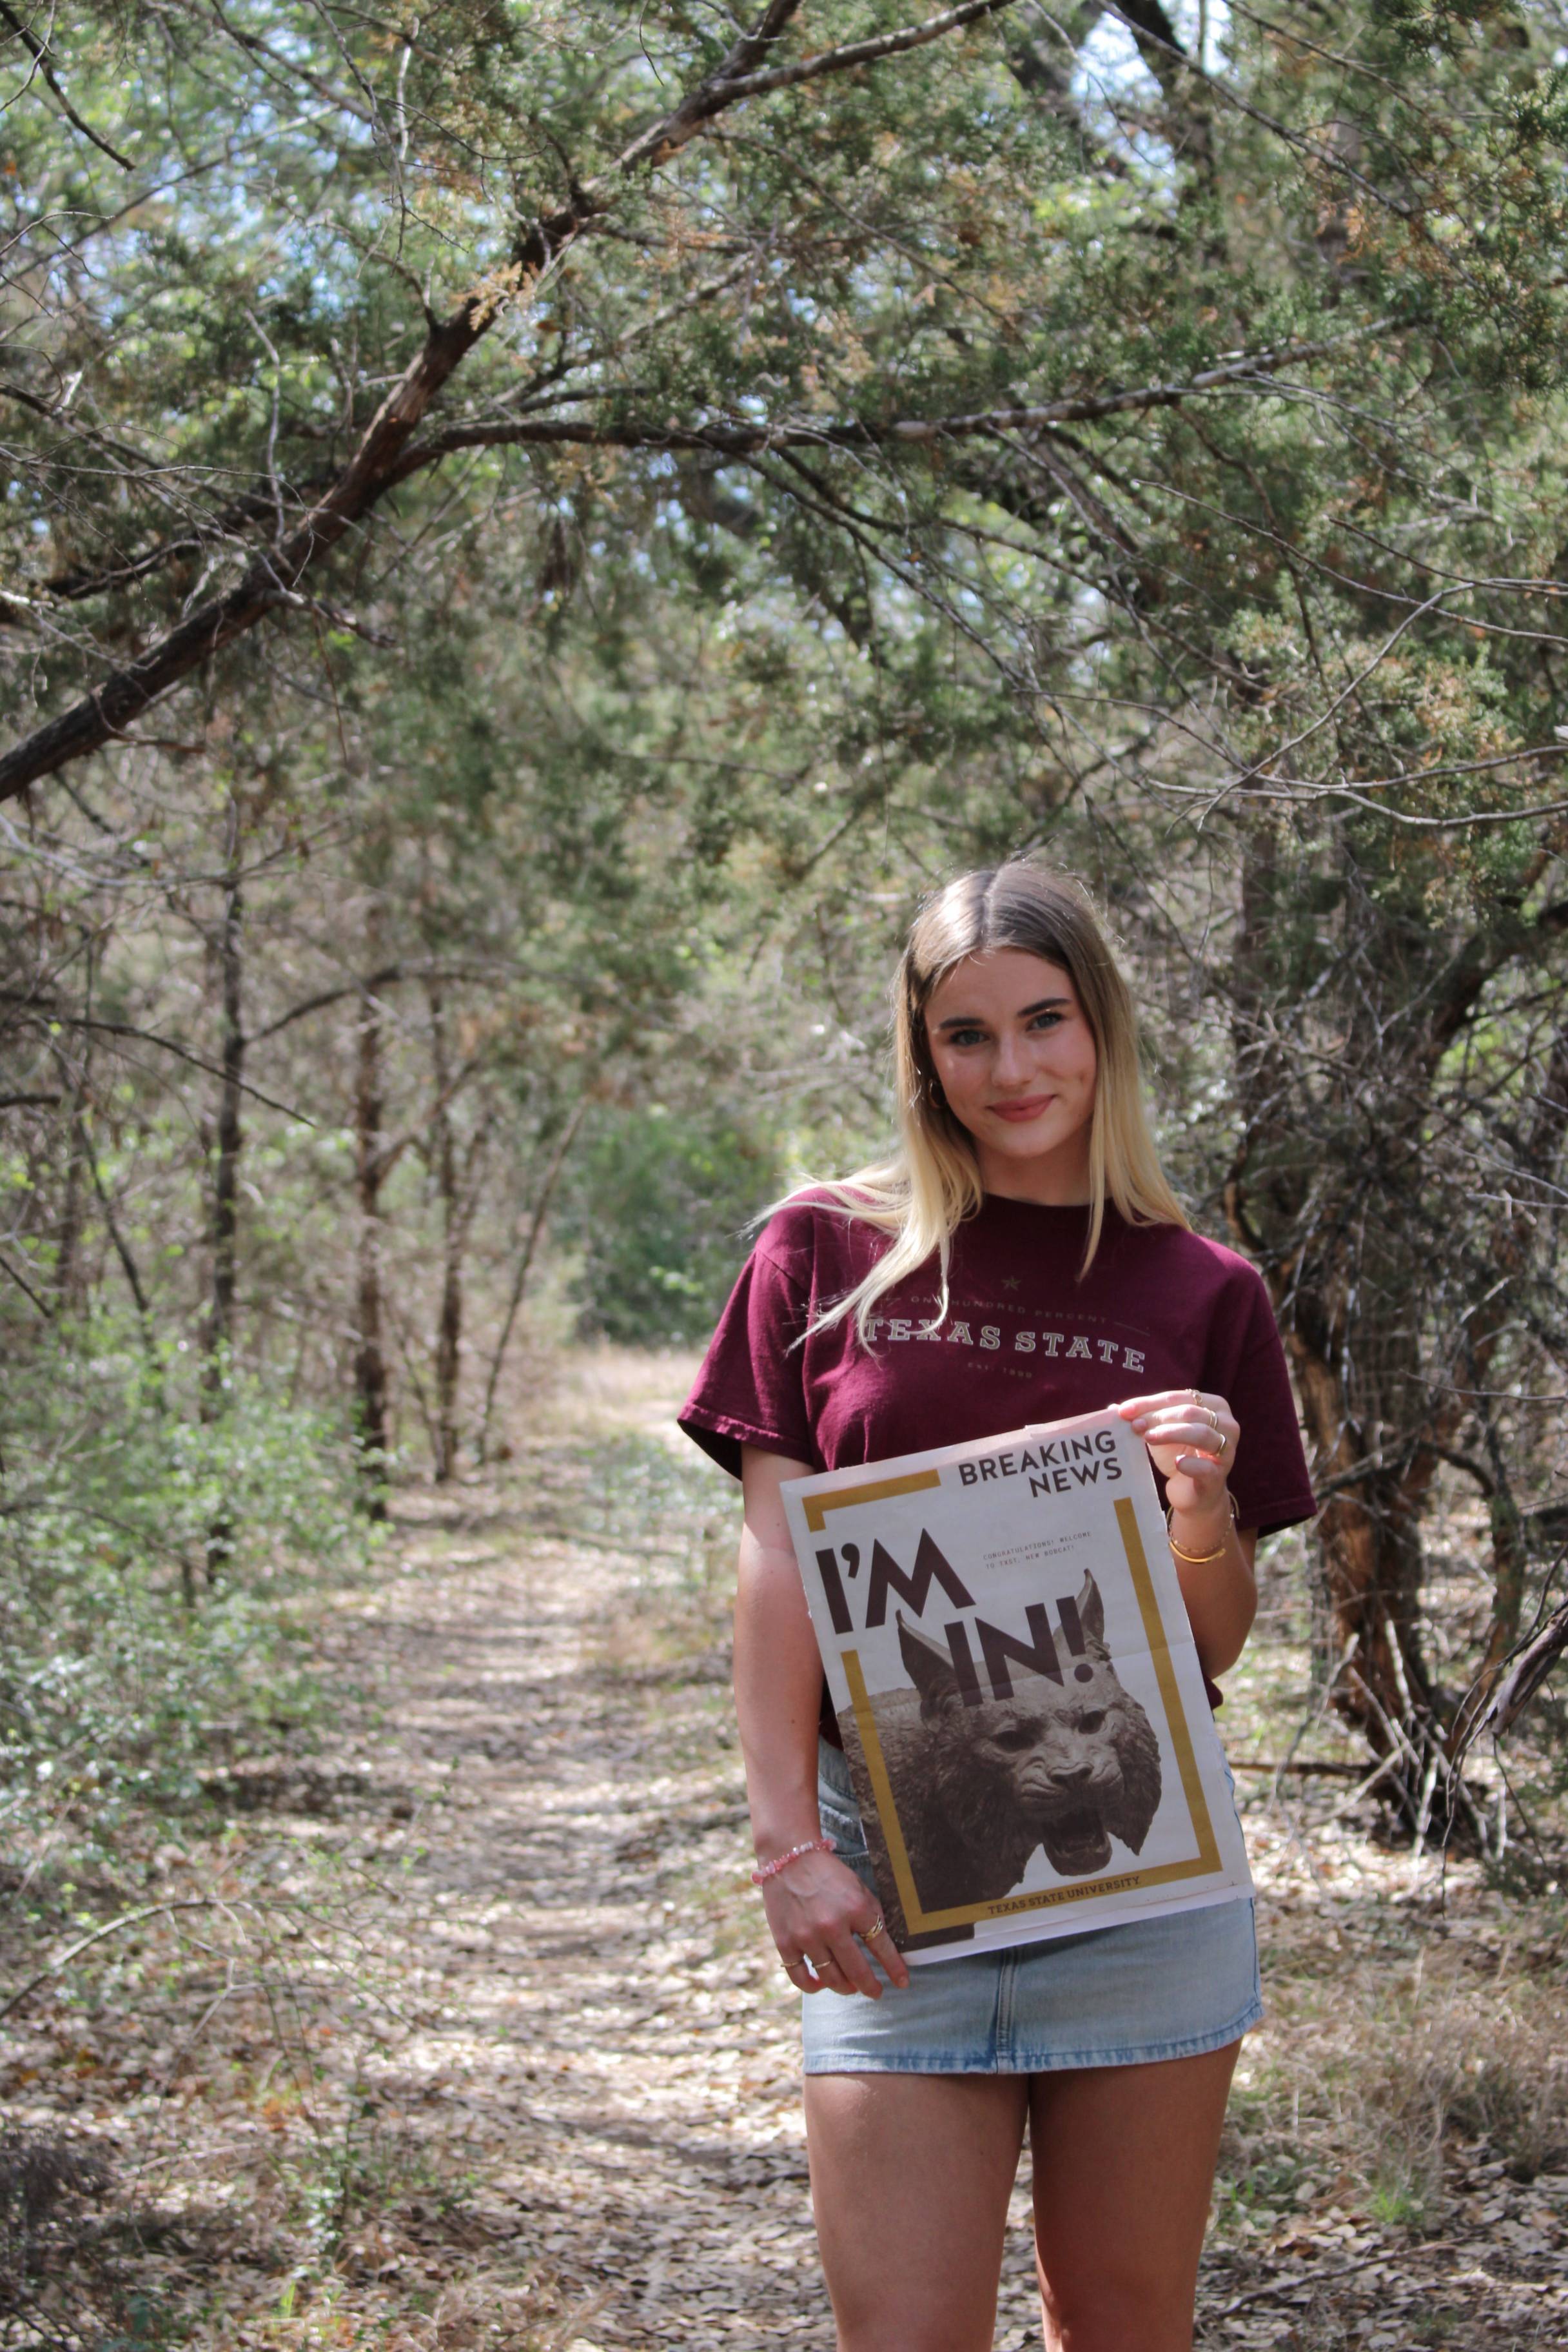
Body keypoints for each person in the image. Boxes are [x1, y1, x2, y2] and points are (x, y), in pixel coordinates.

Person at [678, 861, 1317, 2352]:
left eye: (1045, 1021)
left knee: (1121, 2326)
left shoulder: (1207, 1289)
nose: (1012, 1069)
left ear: (1102, 1028)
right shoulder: (820, 1254)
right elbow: (779, 1563)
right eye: (965, 1036)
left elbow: (1205, 1650)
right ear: (920, 1054)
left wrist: (1203, 1515)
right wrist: (784, 1849)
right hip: (886, 1876)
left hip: (1146, 1888)